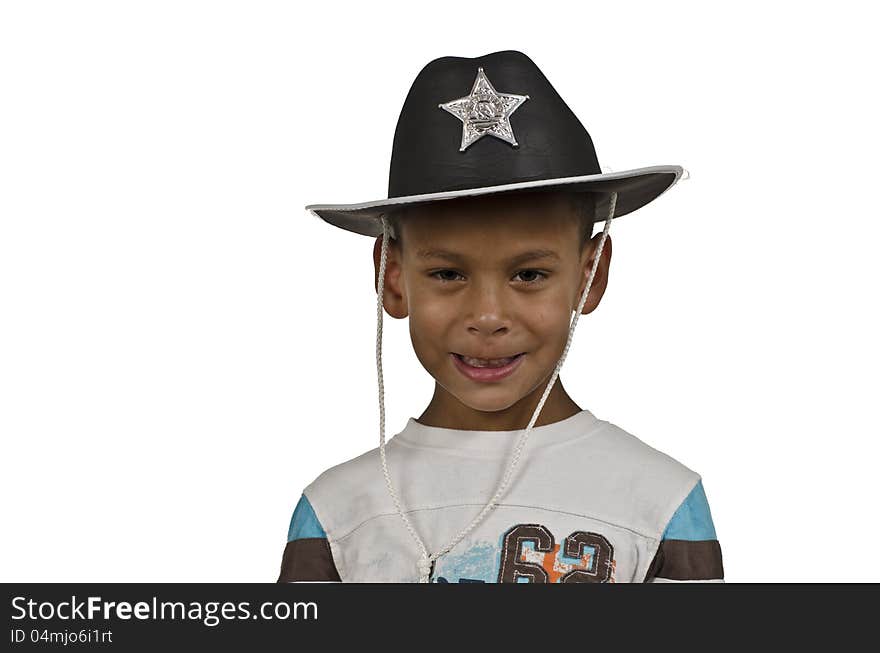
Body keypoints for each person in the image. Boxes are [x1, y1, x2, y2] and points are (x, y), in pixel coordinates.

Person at [277, 50, 723, 583]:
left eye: (529, 275)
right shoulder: (335, 512)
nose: (487, 316)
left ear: (591, 274)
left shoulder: (660, 501)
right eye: (447, 274)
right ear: (391, 278)